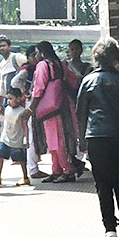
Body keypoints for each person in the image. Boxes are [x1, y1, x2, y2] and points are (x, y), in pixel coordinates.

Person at [75, 37, 119, 237]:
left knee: (102, 183)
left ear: (96, 58)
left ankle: (109, 228)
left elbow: (80, 114)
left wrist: (81, 142)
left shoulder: (88, 81)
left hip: (95, 136)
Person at [30, 40, 76, 182]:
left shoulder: (43, 65)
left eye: (37, 52)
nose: (36, 56)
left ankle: (67, 170)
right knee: (58, 139)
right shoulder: (60, 64)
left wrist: (33, 106)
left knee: (55, 141)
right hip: (61, 105)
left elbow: (39, 88)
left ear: (42, 52)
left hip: (48, 108)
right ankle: (57, 170)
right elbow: (73, 80)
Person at [12, 45, 46, 178]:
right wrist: (25, 92)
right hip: (31, 102)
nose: (36, 58)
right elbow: (15, 82)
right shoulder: (27, 69)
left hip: (34, 102)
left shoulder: (36, 68)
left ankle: (34, 165)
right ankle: (33, 168)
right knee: (32, 135)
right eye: (33, 55)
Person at [0, 87, 31, 186]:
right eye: (8, 98)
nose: (9, 101)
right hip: (5, 138)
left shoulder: (22, 111)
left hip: (17, 140)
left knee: (21, 160)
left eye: (11, 98)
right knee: (0, 157)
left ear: (19, 99)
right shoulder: (7, 109)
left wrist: (27, 139)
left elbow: (25, 126)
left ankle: (25, 177)